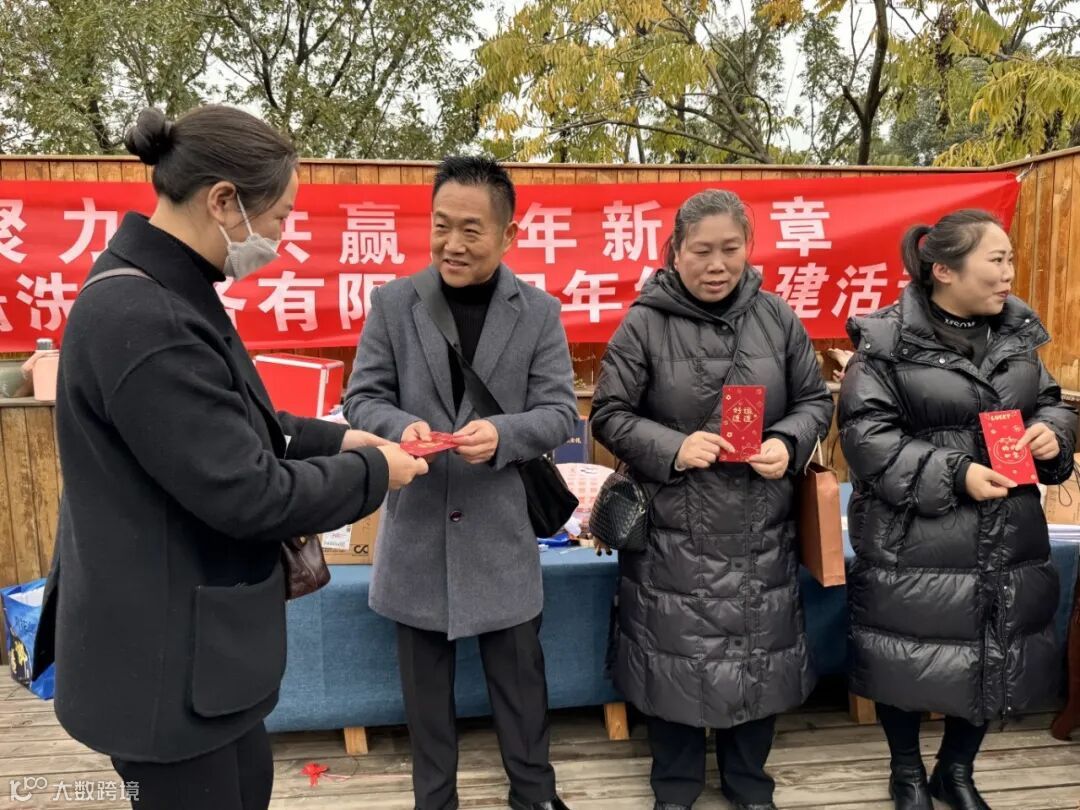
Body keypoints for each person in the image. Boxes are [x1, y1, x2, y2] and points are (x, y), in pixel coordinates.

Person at [32, 105, 428, 810]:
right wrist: (377, 472)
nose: (280, 236)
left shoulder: (163, 289)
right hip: (163, 664)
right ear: (222, 200)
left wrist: (340, 439)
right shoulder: (145, 317)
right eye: (278, 217)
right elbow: (250, 493)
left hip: (196, 655)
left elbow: (231, 419)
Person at [343, 156, 578, 810]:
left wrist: (504, 434)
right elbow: (362, 397)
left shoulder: (537, 312)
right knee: (424, 696)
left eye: (471, 230)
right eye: (441, 225)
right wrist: (401, 425)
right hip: (417, 528)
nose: (452, 243)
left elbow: (559, 411)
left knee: (521, 684)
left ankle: (535, 794)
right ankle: (434, 799)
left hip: (500, 531)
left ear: (508, 234)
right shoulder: (395, 304)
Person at [589, 189, 834, 810]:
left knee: (759, 657)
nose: (716, 264)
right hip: (674, 530)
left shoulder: (777, 318)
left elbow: (815, 401)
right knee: (672, 659)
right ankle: (674, 787)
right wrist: (674, 446)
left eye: (730, 248)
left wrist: (787, 441)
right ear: (675, 251)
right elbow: (609, 414)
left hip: (761, 526)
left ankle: (749, 783)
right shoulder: (644, 322)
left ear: (748, 248)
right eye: (701, 251)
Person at [838, 209, 1076, 810]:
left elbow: (1051, 401)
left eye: (1011, 259)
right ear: (944, 270)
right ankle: (907, 773)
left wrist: (1053, 433)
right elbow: (867, 438)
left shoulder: (1017, 334)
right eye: (996, 260)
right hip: (915, 534)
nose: (1009, 273)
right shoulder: (885, 340)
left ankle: (956, 771)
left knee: (993, 651)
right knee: (903, 655)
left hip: (1008, 531)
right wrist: (956, 472)